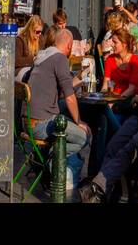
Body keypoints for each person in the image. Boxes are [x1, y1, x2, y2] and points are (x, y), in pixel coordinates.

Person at [79, 60, 138, 203]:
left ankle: (97, 188)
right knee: (113, 145)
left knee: (130, 147)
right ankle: (108, 190)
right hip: (137, 115)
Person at [28, 27, 91, 193]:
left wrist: (78, 77)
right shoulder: (60, 59)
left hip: (29, 121)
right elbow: (69, 97)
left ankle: (54, 161)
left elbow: (62, 90)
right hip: (41, 125)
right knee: (83, 137)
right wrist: (79, 122)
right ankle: (52, 162)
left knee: (71, 122)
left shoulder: (43, 56)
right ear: (69, 46)